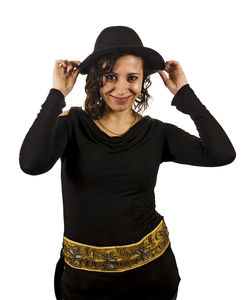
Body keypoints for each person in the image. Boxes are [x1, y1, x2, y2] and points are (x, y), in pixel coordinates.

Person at [19, 26, 236, 300]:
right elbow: (31, 163)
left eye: (132, 78)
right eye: (111, 76)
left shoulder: (157, 133)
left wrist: (184, 94)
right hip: (83, 284)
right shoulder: (71, 125)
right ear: (96, 78)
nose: (121, 89)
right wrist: (56, 95)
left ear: (143, 80)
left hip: (153, 277)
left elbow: (221, 154)